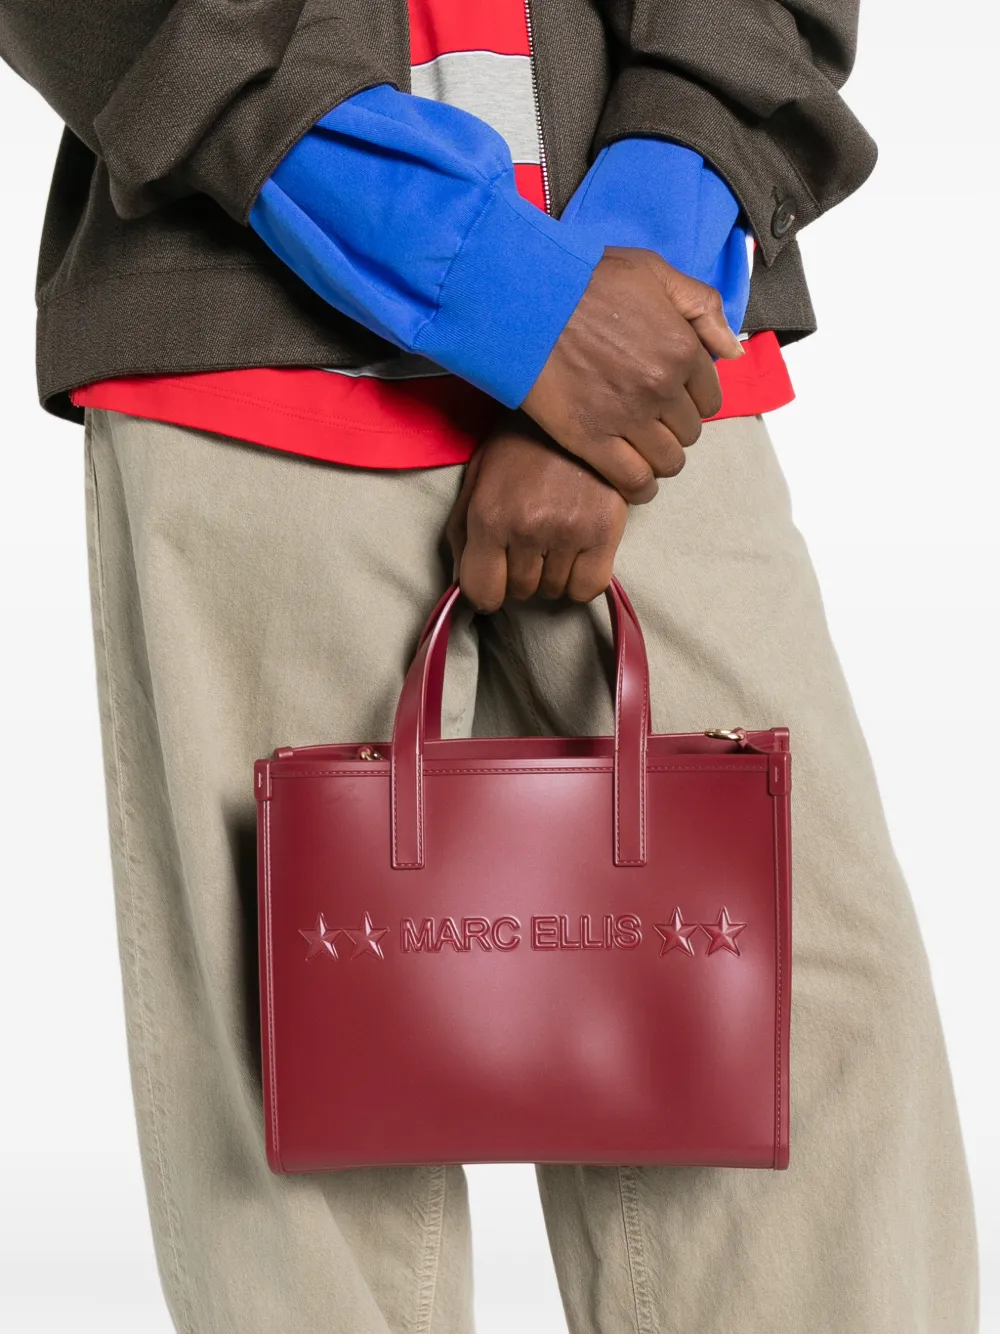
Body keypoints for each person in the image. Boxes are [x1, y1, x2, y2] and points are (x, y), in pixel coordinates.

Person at [0, 1, 979, 1331]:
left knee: (811, 1054)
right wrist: (525, 302)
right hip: (259, 336)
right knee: (306, 1133)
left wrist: (612, 317)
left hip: (657, 348)